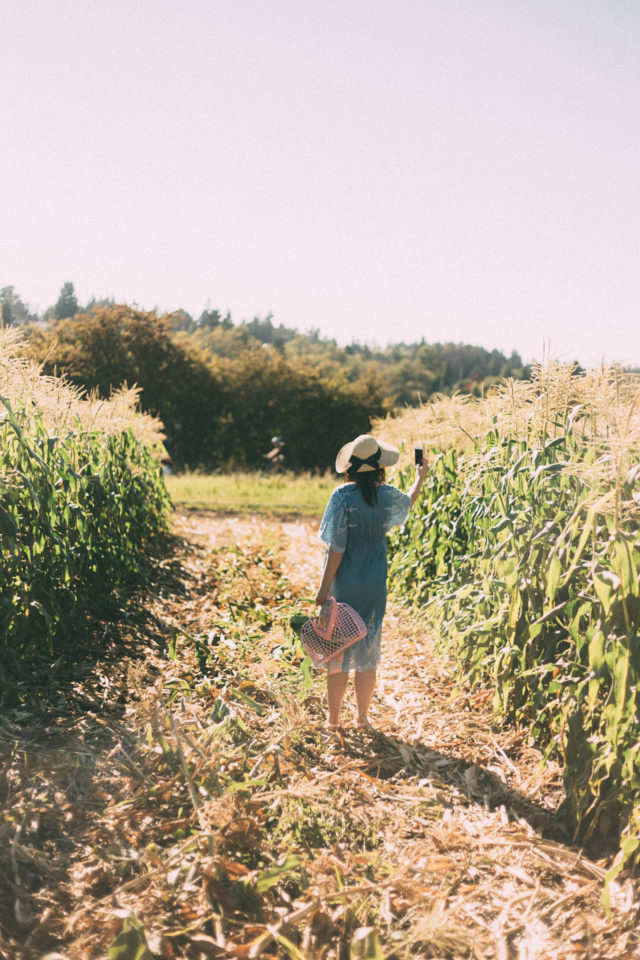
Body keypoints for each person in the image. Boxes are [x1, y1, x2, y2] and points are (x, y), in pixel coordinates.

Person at [315, 433, 428, 731]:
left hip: (345, 587)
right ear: (379, 467)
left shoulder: (341, 497)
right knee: (368, 648)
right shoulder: (387, 494)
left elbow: (336, 547)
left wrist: (324, 587)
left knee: (338, 650)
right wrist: (420, 476)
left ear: (350, 468)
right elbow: (408, 501)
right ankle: (362, 718)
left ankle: (334, 720)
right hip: (375, 584)